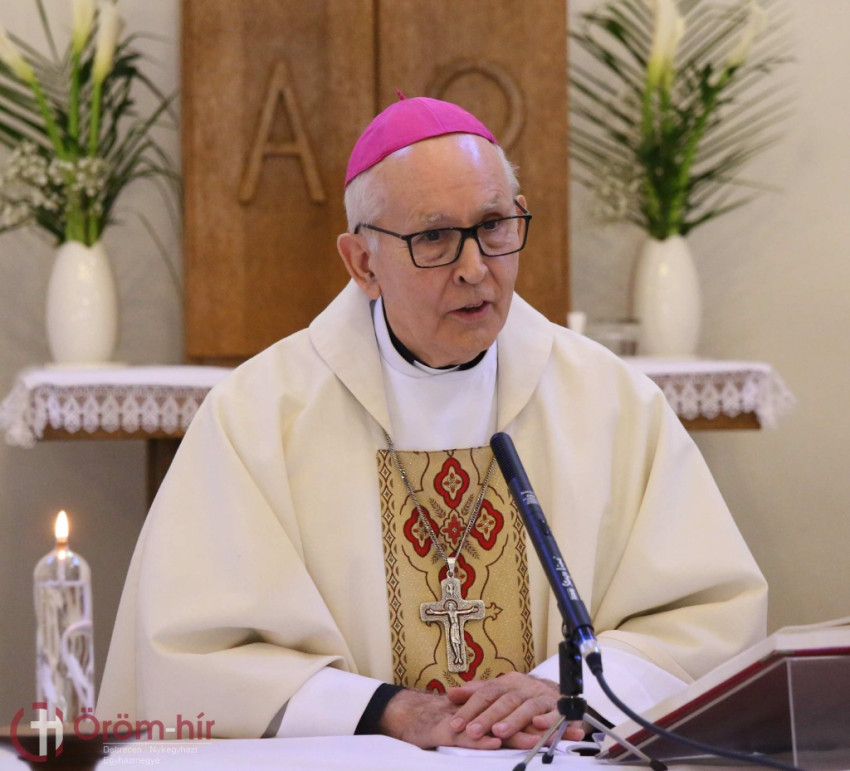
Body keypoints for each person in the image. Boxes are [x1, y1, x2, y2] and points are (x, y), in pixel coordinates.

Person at [98, 96, 767, 750]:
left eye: (494, 226)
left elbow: (706, 614)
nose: (475, 268)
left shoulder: (611, 402)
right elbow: (192, 653)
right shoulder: (259, 418)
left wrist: (564, 688)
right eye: (435, 237)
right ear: (363, 263)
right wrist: (388, 709)